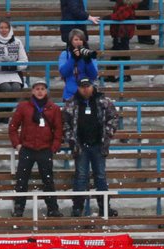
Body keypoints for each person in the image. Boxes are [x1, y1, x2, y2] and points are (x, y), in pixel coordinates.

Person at [62, 77, 119, 217]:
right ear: (78, 88)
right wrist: (72, 140)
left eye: (87, 86)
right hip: (80, 145)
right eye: (82, 86)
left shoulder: (103, 102)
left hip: (98, 145)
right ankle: (78, 207)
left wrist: (107, 134)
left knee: (100, 176)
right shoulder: (71, 103)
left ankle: (104, 207)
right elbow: (65, 123)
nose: (85, 89)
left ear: (92, 87)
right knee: (81, 176)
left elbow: (113, 118)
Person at [8, 80, 63, 218]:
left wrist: (54, 147)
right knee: (22, 180)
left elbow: (58, 129)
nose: (40, 91)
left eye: (43, 89)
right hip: (27, 148)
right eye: (37, 88)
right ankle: (19, 208)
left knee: (48, 180)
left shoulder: (53, 108)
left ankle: (52, 208)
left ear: (46, 91)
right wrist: (17, 145)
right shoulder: (23, 107)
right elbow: (13, 127)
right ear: (32, 91)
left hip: (45, 149)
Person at [0, 19, 28, 92]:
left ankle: (14, 103)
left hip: (15, 74)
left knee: (16, 88)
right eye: (1, 28)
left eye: (6, 27)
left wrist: (14, 66)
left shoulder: (17, 42)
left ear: (10, 29)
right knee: (6, 88)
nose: (4, 30)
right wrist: (2, 66)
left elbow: (24, 61)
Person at [59, 28, 99, 101]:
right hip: (70, 95)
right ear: (71, 41)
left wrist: (88, 61)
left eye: (81, 40)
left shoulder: (89, 54)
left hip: (86, 94)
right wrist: (73, 59)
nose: (79, 42)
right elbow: (64, 73)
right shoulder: (65, 54)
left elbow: (93, 75)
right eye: (76, 39)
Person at [107, 0, 139, 83]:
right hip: (120, 33)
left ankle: (125, 75)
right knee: (115, 53)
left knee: (123, 53)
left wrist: (110, 17)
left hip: (122, 33)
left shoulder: (127, 5)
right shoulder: (121, 3)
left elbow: (120, 16)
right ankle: (110, 74)